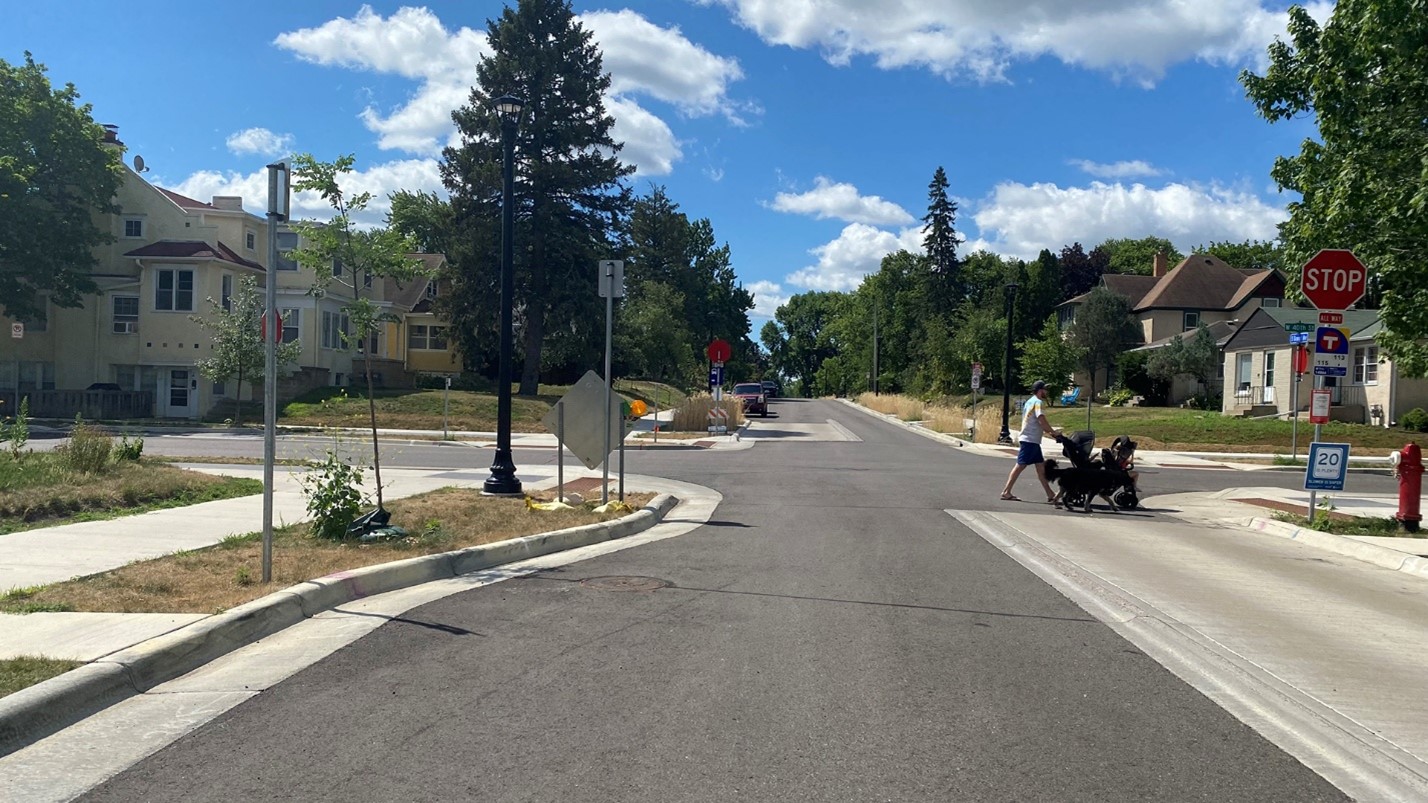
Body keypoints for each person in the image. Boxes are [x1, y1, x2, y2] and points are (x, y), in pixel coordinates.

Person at [999, 380, 1060, 503]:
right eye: (1045, 389)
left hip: (1032, 440)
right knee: (1020, 466)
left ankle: (1050, 494)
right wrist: (1053, 433)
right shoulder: (1037, 402)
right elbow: (1041, 420)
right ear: (1040, 390)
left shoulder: (1029, 402)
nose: (1046, 392)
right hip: (1030, 439)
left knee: (1040, 467)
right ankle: (1006, 492)